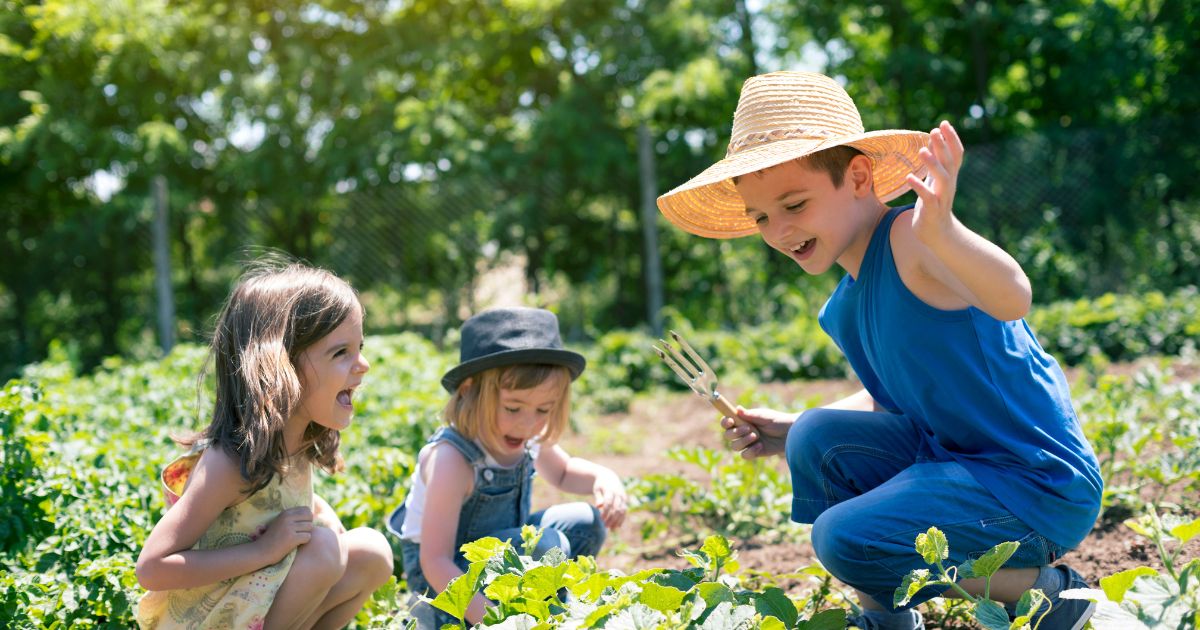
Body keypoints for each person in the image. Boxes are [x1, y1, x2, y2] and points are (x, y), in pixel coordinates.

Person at [656, 71, 1103, 630]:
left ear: (860, 177)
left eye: (794, 204)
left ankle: (1051, 596)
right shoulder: (843, 307)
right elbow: (894, 399)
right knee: (818, 437)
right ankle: (886, 619)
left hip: (1034, 484)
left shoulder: (913, 240)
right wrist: (791, 428)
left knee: (841, 536)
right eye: (762, 217)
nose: (778, 231)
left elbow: (1014, 297)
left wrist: (943, 231)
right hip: (961, 469)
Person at [135, 260, 394, 629]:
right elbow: (152, 568)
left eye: (360, 347)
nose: (363, 364)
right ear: (280, 365)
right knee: (324, 551)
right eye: (341, 352)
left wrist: (323, 521)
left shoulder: (297, 443)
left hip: (255, 607)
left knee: (371, 551)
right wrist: (262, 550)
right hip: (206, 619)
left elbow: (282, 506)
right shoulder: (229, 462)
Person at [387, 307, 627, 628]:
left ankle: (541, 607)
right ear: (470, 392)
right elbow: (435, 562)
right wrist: (495, 621)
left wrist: (604, 477)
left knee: (587, 522)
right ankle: (442, 618)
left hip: (502, 558)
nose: (528, 424)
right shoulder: (452, 460)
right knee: (546, 545)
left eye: (544, 409)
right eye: (513, 408)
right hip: (446, 584)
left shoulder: (526, 435)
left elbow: (564, 472)